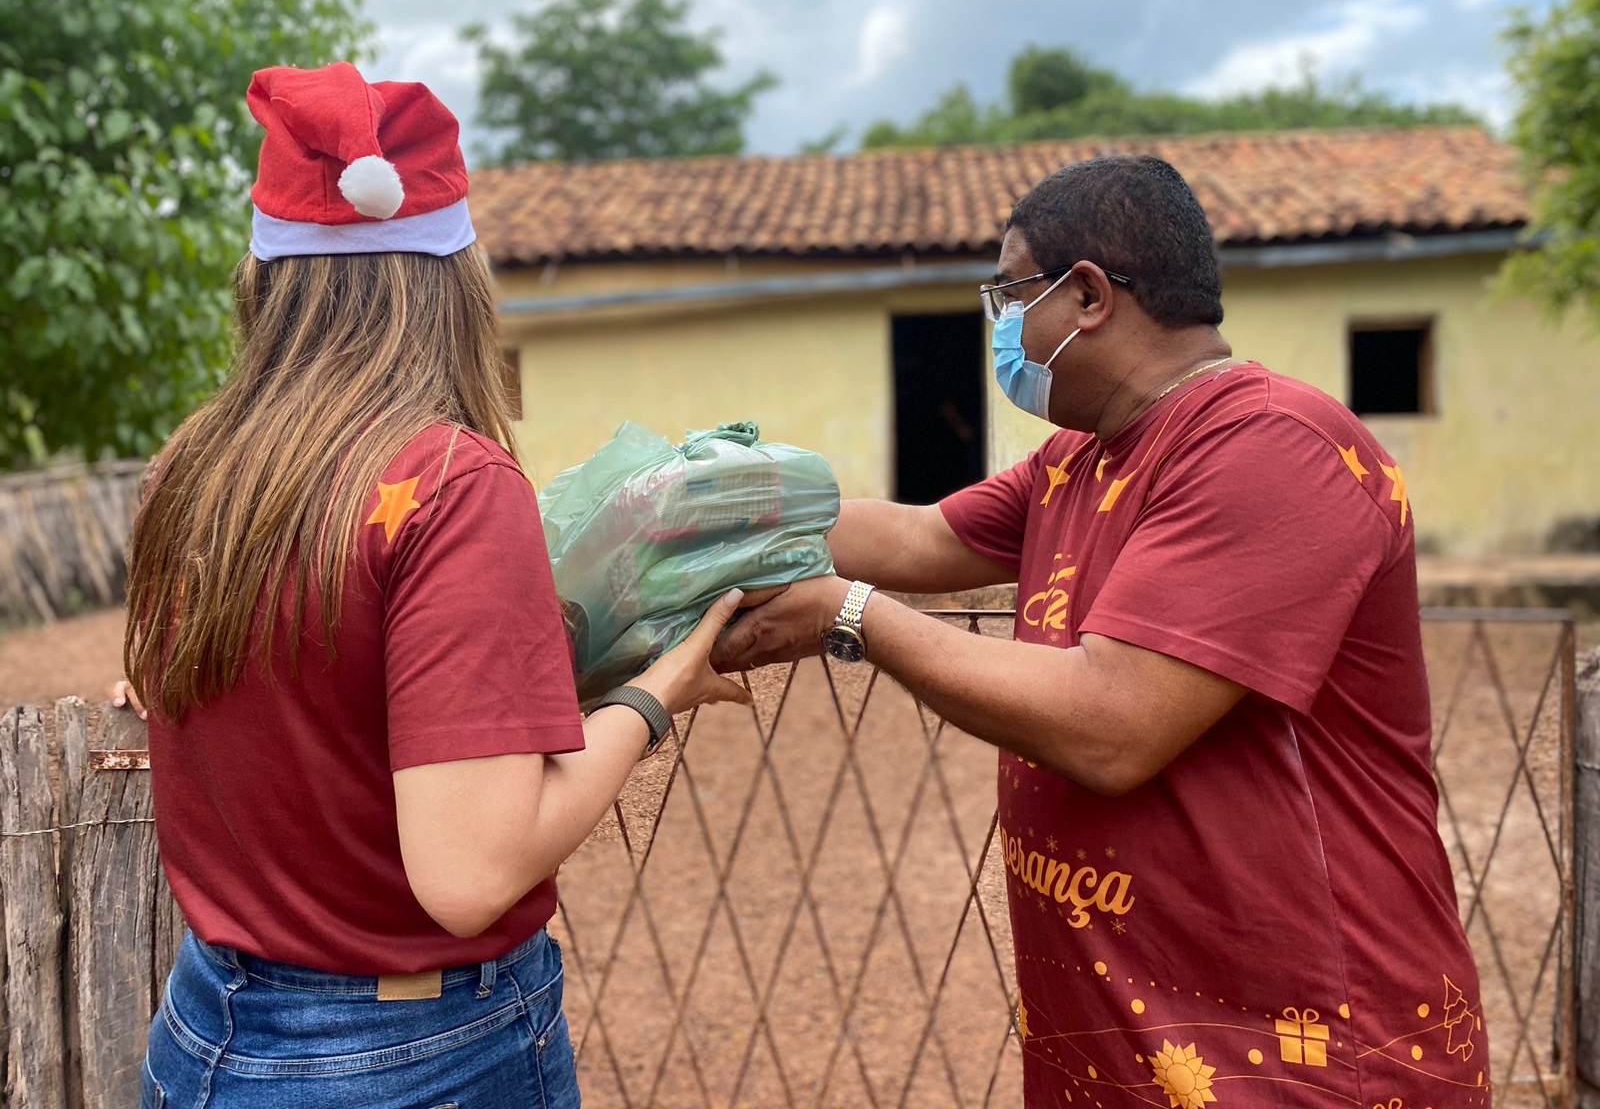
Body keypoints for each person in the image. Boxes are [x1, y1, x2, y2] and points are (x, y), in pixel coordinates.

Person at [712, 156, 1490, 1108]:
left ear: (1085, 295)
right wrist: (720, 507)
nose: (1000, 325)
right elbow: (919, 534)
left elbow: (1112, 726)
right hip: (1131, 1044)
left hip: (1300, 1054)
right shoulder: (1082, 459)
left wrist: (851, 618)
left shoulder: (1274, 448)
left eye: (1008, 292)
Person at [113, 61, 753, 1109]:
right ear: (454, 278)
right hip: (413, 1057)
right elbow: (469, 874)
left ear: (266, 278)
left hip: (208, 1029)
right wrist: (656, 694)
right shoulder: (451, 483)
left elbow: (267, 694)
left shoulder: (191, 467)